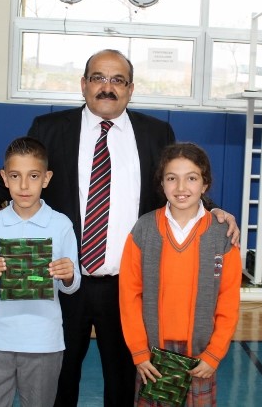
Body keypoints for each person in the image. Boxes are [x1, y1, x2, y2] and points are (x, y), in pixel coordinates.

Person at [27, 49, 240, 407]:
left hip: (128, 288)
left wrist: (214, 210)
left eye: (118, 80)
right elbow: (17, 178)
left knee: (125, 383)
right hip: (64, 281)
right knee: (60, 380)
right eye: (98, 77)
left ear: (130, 89)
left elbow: (178, 182)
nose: (107, 87)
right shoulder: (48, 129)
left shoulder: (156, 132)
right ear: (83, 84)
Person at [119, 142, 242, 405]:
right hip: (152, 358)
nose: (181, 187)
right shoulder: (143, 230)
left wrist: (214, 354)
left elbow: (229, 299)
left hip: (201, 357)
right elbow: (129, 295)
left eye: (192, 178)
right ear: (162, 183)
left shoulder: (223, 235)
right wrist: (139, 351)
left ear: (205, 184)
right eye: (172, 178)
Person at [0, 137, 81, 406]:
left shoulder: (61, 224)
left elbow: (72, 285)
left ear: (46, 178)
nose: (24, 185)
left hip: (44, 341)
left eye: (33, 176)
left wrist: (68, 274)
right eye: (15, 176)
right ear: (4, 178)